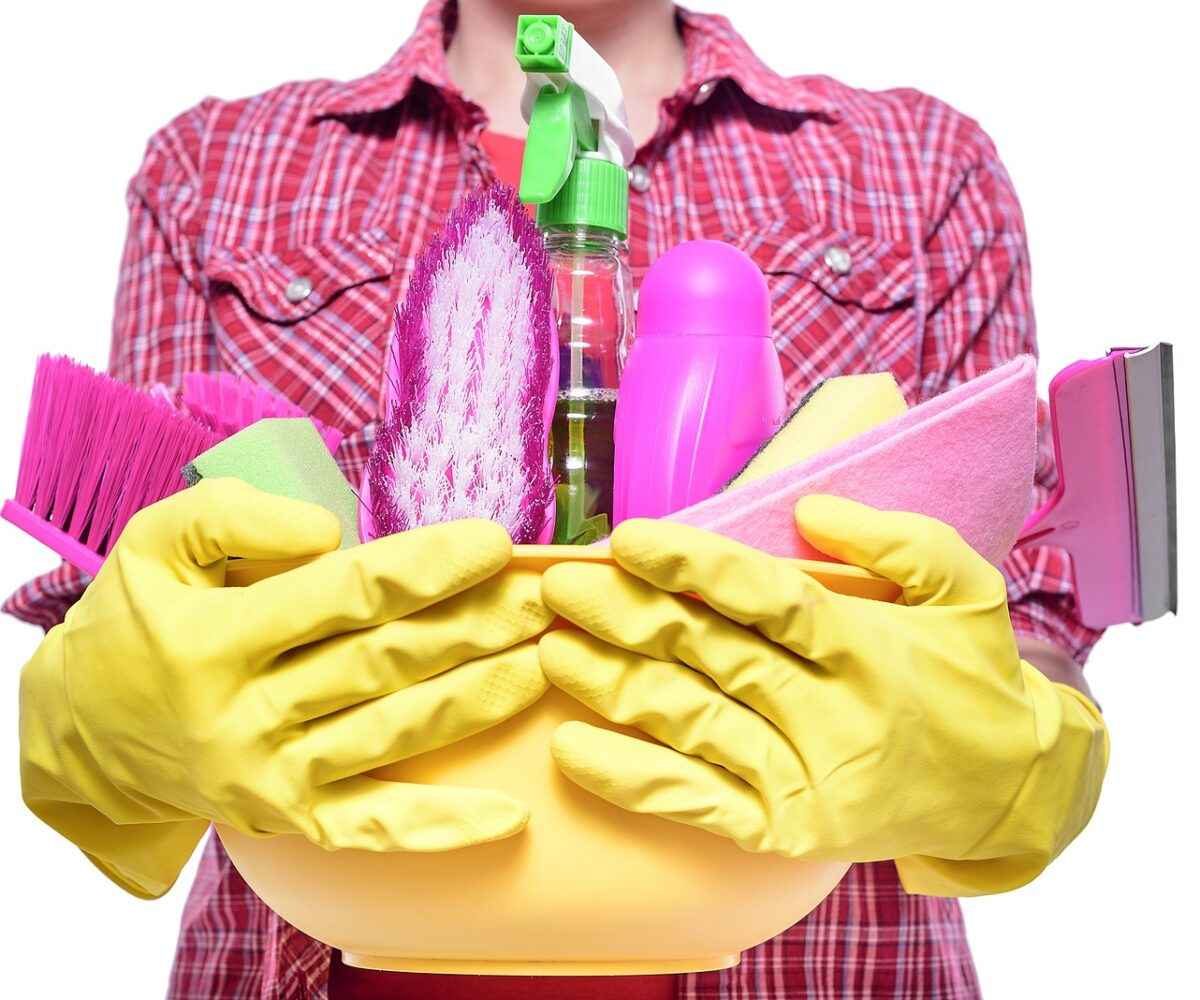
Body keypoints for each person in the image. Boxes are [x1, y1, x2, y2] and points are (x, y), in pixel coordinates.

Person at [10, 1, 1109, 997]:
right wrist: (98, 718)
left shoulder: (918, 168)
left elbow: (1018, 631)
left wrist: (1003, 747)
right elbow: (136, 600)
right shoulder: (219, 169)